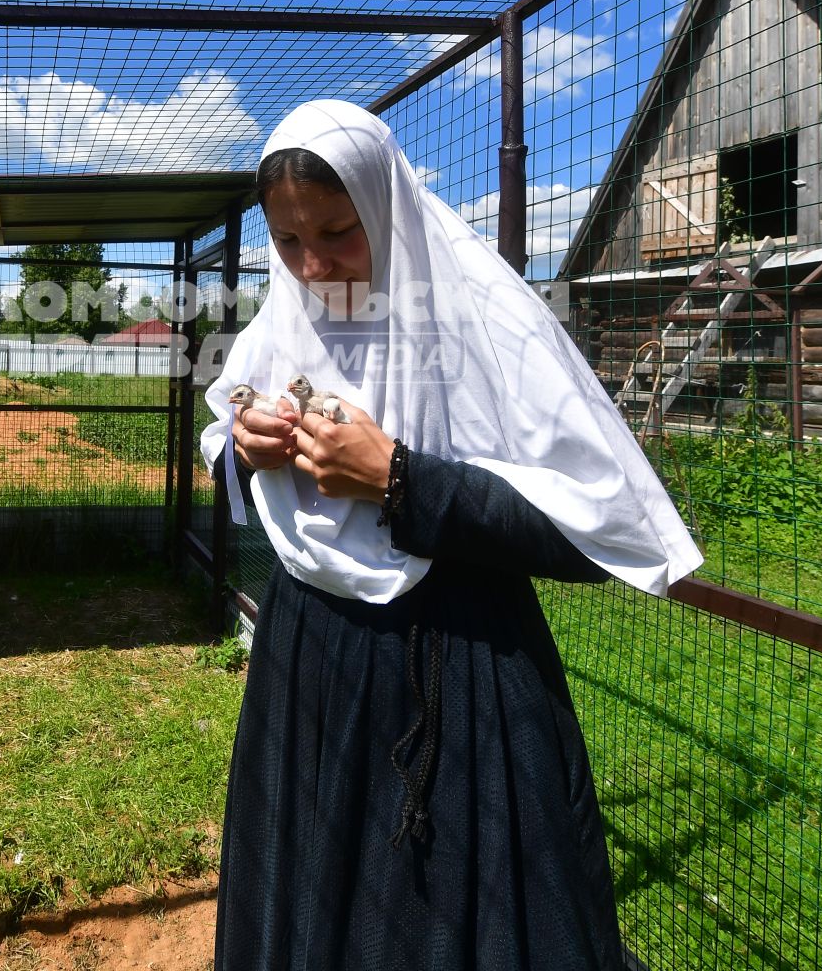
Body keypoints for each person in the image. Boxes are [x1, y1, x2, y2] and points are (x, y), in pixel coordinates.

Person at [200, 100, 701, 971]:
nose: (313, 266)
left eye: (338, 232)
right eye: (286, 241)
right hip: (306, 663)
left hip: (455, 679)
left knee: (437, 917)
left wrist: (398, 478)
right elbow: (223, 433)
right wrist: (245, 450)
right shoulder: (283, 321)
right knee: (309, 895)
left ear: (386, 208)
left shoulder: (489, 325)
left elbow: (595, 532)